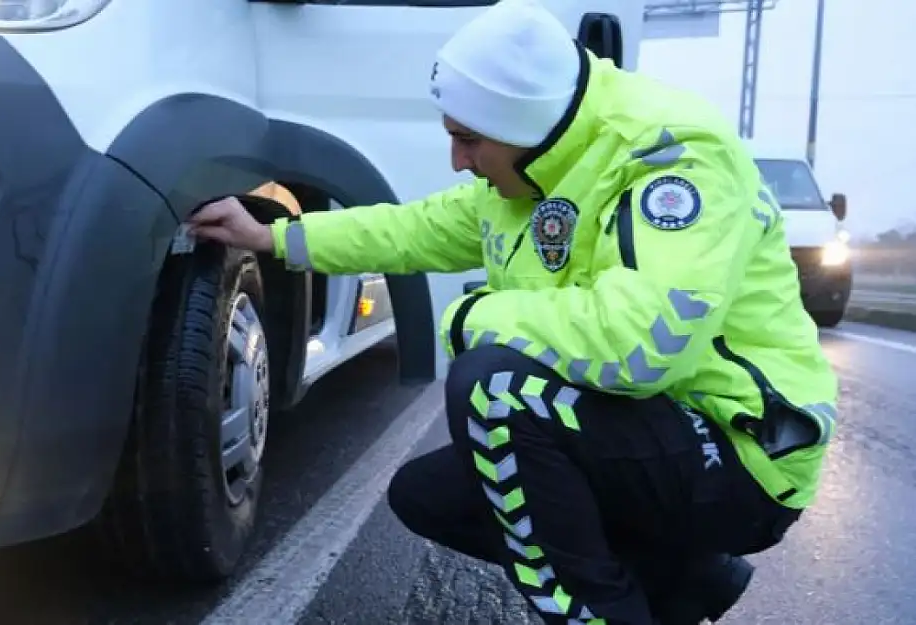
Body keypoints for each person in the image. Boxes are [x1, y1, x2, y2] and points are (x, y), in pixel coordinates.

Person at [186, 0, 838, 622]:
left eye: (469, 140)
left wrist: (473, 318)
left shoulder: (669, 160)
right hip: (654, 430)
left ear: (522, 124)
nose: (457, 160)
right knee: (428, 493)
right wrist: (271, 237)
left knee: (496, 390)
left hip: (739, 448)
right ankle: (681, 576)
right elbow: (409, 229)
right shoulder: (531, 171)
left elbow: (644, 346)